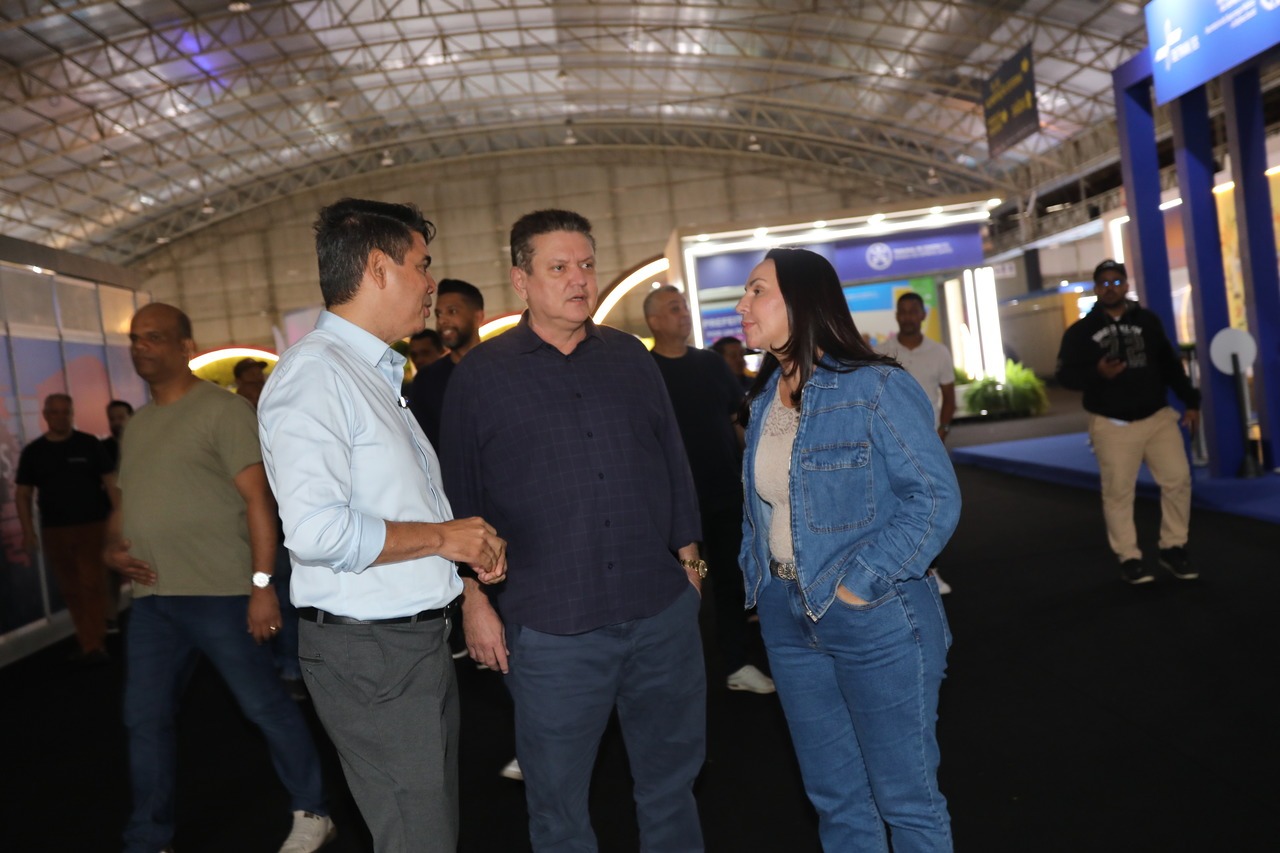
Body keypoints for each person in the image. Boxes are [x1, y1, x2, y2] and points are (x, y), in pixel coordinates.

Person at [441, 209, 707, 852]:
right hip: (551, 626)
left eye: (586, 265)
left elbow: (672, 462)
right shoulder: (481, 376)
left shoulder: (630, 358)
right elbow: (459, 501)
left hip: (658, 611)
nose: (579, 279)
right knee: (558, 806)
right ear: (521, 281)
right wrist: (473, 601)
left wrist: (691, 567)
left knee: (672, 786)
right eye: (559, 267)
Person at [258, 197, 507, 853]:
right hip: (373, 655)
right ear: (376, 268)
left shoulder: (368, 373)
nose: (431, 283)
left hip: (407, 646)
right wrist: (444, 538)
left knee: (428, 830)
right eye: (421, 265)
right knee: (419, 837)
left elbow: (398, 502)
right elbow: (318, 532)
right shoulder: (316, 376)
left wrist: (463, 563)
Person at [736, 247, 960, 851]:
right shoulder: (763, 401)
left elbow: (934, 499)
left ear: (802, 301)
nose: (743, 305)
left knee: (907, 802)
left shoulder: (876, 386)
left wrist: (860, 583)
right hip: (786, 619)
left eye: (757, 290)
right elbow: (762, 512)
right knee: (836, 802)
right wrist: (761, 584)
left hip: (876, 617)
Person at [106, 303, 334, 853]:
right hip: (153, 599)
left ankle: (313, 809)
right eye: (136, 338)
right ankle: (148, 836)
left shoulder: (223, 411)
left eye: (154, 337)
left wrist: (262, 584)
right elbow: (124, 504)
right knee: (144, 718)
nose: (141, 346)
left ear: (186, 347)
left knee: (265, 706)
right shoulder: (137, 425)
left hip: (221, 594)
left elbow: (259, 501)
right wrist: (112, 550)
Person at [644, 284, 774, 694]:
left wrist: (756, 468)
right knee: (684, 584)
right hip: (673, 509)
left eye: (684, 306)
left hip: (723, 498)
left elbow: (738, 419)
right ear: (653, 321)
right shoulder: (644, 371)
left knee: (732, 580)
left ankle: (736, 664)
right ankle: (678, 672)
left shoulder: (711, 364)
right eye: (673, 308)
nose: (683, 313)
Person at [1055, 259, 1200, 584]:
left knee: (1178, 480)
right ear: (1096, 289)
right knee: (1118, 492)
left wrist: (1191, 401)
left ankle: (1173, 547)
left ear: (1126, 285)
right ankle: (1129, 557)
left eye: (1116, 282)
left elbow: (1170, 365)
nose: (1111, 288)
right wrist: (1097, 373)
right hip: (1112, 423)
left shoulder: (1148, 322)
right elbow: (1065, 376)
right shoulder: (1081, 332)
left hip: (1158, 417)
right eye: (1104, 283)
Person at [15, 393, 113, 662]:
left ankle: (95, 643)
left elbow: (111, 482)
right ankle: (89, 641)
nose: (60, 417)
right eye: (55, 412)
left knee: (92, 584)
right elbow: (23, 494)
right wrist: (28, 531)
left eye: (65, 412)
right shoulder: (34, 452)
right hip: (55, 530)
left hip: (92, 526)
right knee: (70, 588)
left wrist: (120, 519)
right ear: (45, 415)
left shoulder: (89, 444)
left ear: (72, 414)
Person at [877, 291, 958, 595]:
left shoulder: (939, 352)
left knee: (932, 508)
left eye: (914, 311)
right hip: (890, 445)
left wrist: (942, 433)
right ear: (896, 316)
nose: (909, 316)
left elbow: (949, 398)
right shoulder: (882, 352)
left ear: (923, 315)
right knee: (895, 508)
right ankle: (897, 569)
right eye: (904, 311)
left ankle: (932, 569)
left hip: (929, 445)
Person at [409, 278, 486, 450]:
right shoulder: (426, 381)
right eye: (438, 314)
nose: (442, 321)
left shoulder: (503, 369)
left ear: (478, 317)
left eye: (452, 311)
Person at [101, 399, 134, 471]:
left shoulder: (144, 444)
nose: (116, 422)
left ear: (132, 418)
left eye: (121, 417)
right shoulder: (102, 448)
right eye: (111, 419)